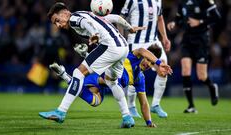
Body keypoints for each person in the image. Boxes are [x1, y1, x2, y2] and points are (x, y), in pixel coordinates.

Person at [38, 2, 170, 128]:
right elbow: (115, 17)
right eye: (55, 23)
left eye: (57, 20)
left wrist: (94, 33)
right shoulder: (87, 13)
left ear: (65, 13)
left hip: (110, 47)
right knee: (111, 81)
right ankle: (127, 117)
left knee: (78, 73)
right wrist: (129, 28)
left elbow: (86, 23)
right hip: (123, 47)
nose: (58, 25)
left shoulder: (73, 18)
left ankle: (61, 111)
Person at [49, 42, 170, 127]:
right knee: (113, 76)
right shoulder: (134, 57)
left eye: (151, 63)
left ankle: (64, 74)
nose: (148, 63)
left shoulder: (140, 79)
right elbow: (143, 51)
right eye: (148, 59)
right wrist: (158, 62)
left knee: (95, 102)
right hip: (100, 75)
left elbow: (144, 103)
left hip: (101, 85)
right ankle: (86, 55)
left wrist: (148, 122)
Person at [167, 0, 221, 113]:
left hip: (201, 40)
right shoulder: (182, 3)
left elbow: (217, 17)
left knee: (202, 76)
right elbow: (179, 19)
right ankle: (191, 105)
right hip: (187, 40)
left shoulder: (205, 1)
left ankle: (212, 87)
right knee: (185, 70)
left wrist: (200, 21)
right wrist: (174, 23)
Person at [120, 0, 171, 118]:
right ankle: (131, 106)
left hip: (153, 41)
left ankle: (156, 105)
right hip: (137, 41)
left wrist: (165, 37)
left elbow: (160, 18)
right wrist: (122, 38)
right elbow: (121, 18)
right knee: (135, 73)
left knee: (164, 70)